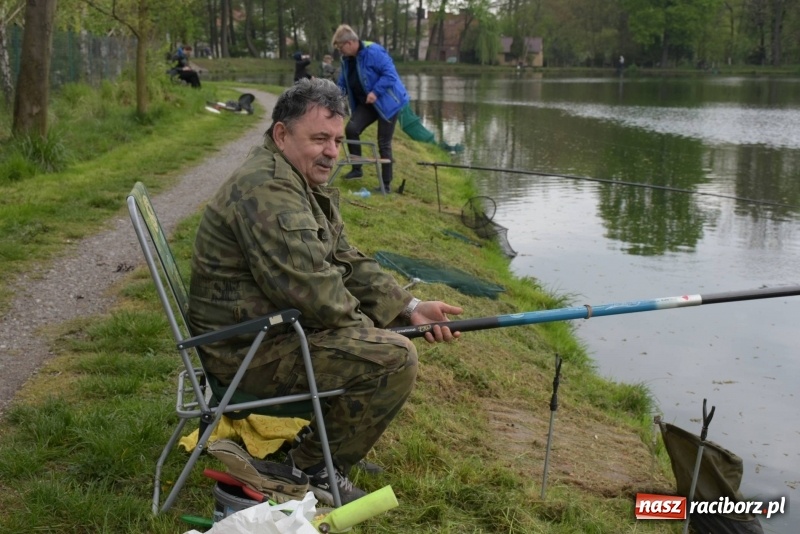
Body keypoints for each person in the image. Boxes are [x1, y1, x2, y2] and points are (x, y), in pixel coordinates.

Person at [188, 78, 463, 505]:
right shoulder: (268, 190)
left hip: (265, 333)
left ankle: (331, 449)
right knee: (392, 360)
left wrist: (408, 309)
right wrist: (378, 335)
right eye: (319, 138)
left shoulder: (290, 177)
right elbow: (317, 295)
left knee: (383, 344)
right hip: (246, 354)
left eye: (336, 139)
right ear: (282, 134)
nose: (333, 151)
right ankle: (314, 468)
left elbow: (344, 259)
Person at [332, 24, 409, 193]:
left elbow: (390, 75)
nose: (340, 51)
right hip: (367, 104)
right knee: (352, 129)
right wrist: (333, 96)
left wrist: (375, 91)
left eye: (341, 47)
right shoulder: (346, 60)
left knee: (383, 141)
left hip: (388, 102)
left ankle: (386, 185)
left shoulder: (374, 52)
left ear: (351, 42)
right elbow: (343, 83)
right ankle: (357, 168)